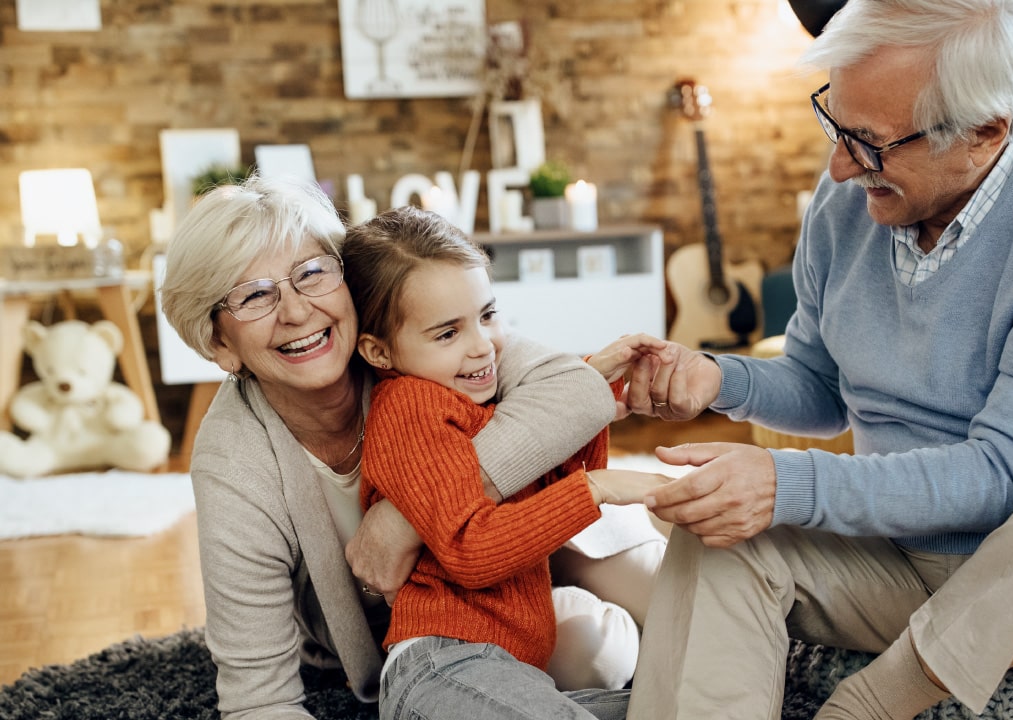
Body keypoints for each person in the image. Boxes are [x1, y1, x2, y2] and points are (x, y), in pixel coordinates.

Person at [621, 1, 1013, 719]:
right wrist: (716, 378)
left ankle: (869, 706)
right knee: (719, 535)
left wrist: (787, 483)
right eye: (835, 125)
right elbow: (820, 384)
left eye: (868, 143)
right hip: (905, 563)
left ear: (986, 131)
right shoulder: (850, 201)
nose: (839, 165)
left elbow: (1003, 471)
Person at [159, 174, 666, 719]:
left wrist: (406, 517)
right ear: (218, 344)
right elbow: (258, 699)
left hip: (547, 557)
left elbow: (574, 393)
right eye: (255, 295)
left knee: (692, 600)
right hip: (432, 636)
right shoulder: (234, 461)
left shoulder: (429, 336)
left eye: (311, 273)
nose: (298, 311)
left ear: (346, 281)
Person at [341, 206, 672, 719]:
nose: (483, 347)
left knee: (684, 703)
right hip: (441, 664)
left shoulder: (477, 402)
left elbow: (555, 485)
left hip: (510, 670)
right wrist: (598, 490)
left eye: (487, 316)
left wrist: (591, 393)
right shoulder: (411, 407)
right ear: (379, 353)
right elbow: (470, 548)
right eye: (447, 334)